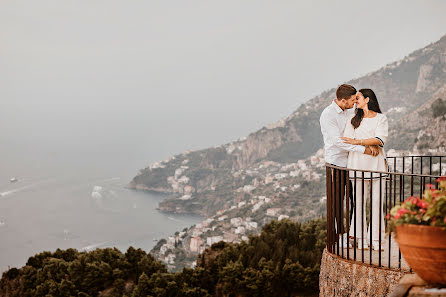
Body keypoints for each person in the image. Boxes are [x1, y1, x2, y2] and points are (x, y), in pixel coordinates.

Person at [320, 84, 379, 248]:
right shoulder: (328, 115)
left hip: (354, 163)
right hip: (337, 164)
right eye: (352, 100)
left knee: (356, 200)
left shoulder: (350, 111)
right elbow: (338, 142)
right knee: (338, 202)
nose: (354, 103)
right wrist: (364, 149)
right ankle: (340, 235)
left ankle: (355, 234)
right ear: (343, 100)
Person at [341, 88, 388, 251]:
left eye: (358, 97)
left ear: (367, 99)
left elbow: (380, 140)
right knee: (359, 204)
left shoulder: (381, 119)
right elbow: (347, 141)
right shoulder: (353, 120)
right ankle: (361, 240)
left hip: (377, 167)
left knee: (376, 204)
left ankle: (375, 239)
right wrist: (367, 143)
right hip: (357, 166)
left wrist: (358, 142)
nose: (355, 100)